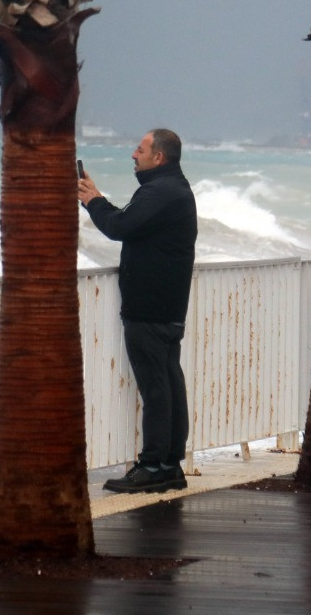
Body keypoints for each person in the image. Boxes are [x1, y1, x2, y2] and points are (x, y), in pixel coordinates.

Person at [79, 128, 197, 493]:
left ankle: (152, 465)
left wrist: (93, 201)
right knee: (168, 383)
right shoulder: (172, 189)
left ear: (158, 157)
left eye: (140, 149)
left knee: (157, 387)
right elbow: (133, 222)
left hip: (150, 307)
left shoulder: (160, 192)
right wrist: (99, 199)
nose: (134, 154)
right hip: (166, 305)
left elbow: (120, 226)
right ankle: (170, 464)